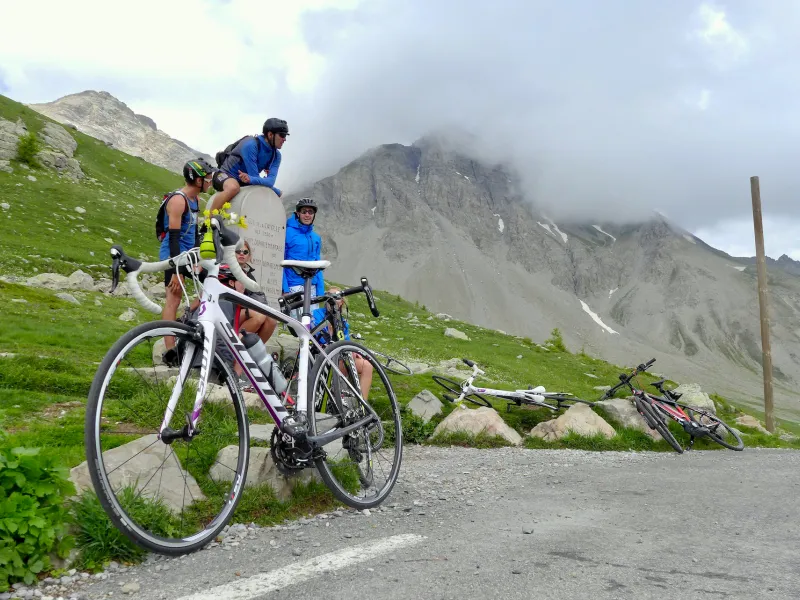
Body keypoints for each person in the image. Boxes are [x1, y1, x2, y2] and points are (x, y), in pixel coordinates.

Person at [160, 159, 214, 365]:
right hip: (172, 256)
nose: (210, 181)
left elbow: (192, 233)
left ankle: (186, 315)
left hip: (189, 254)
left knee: (211, 283)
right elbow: (173, 237)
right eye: (207, 177)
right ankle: (170, 351)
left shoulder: (196, 201)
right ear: (197, 179)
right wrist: (176, 270)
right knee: (172, 298)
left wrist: (198, 260)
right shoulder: (178, 200)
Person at [209, 118, 289, 211]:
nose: (284, 139)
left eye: (286, 136)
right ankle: (208, 221)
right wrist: (276, 190)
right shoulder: (250, 144)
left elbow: (270, 181)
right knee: (233, 188)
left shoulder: (276, 156)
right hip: (224, 175)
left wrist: (276, 192)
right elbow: (254, 177)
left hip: (245, 182)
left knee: (272, 196)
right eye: (282, 135)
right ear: (270, 134)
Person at [311, 287, 373, 400]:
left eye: (336, 297)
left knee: (367, 365)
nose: (332, 300)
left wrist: (354, 351)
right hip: (321, 357)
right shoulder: (316, 314)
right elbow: (316, 338)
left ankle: (363, 404)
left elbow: (346, 341)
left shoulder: (343, 322)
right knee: (349, 356)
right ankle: (335, 389)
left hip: (338, 358)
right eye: (328, 296)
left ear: (342, 302)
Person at [282, 198, 324, 320]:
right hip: (294, 286)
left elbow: (318, 264)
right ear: (298, 213)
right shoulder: (287, 232)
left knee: (312, 324)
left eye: (310, 212)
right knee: (298, 325)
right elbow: (281, 263)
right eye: (304, 211)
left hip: (312, 286)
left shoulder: (316, 237)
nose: (307, 215)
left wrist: (320, 291)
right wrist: (285, 289)